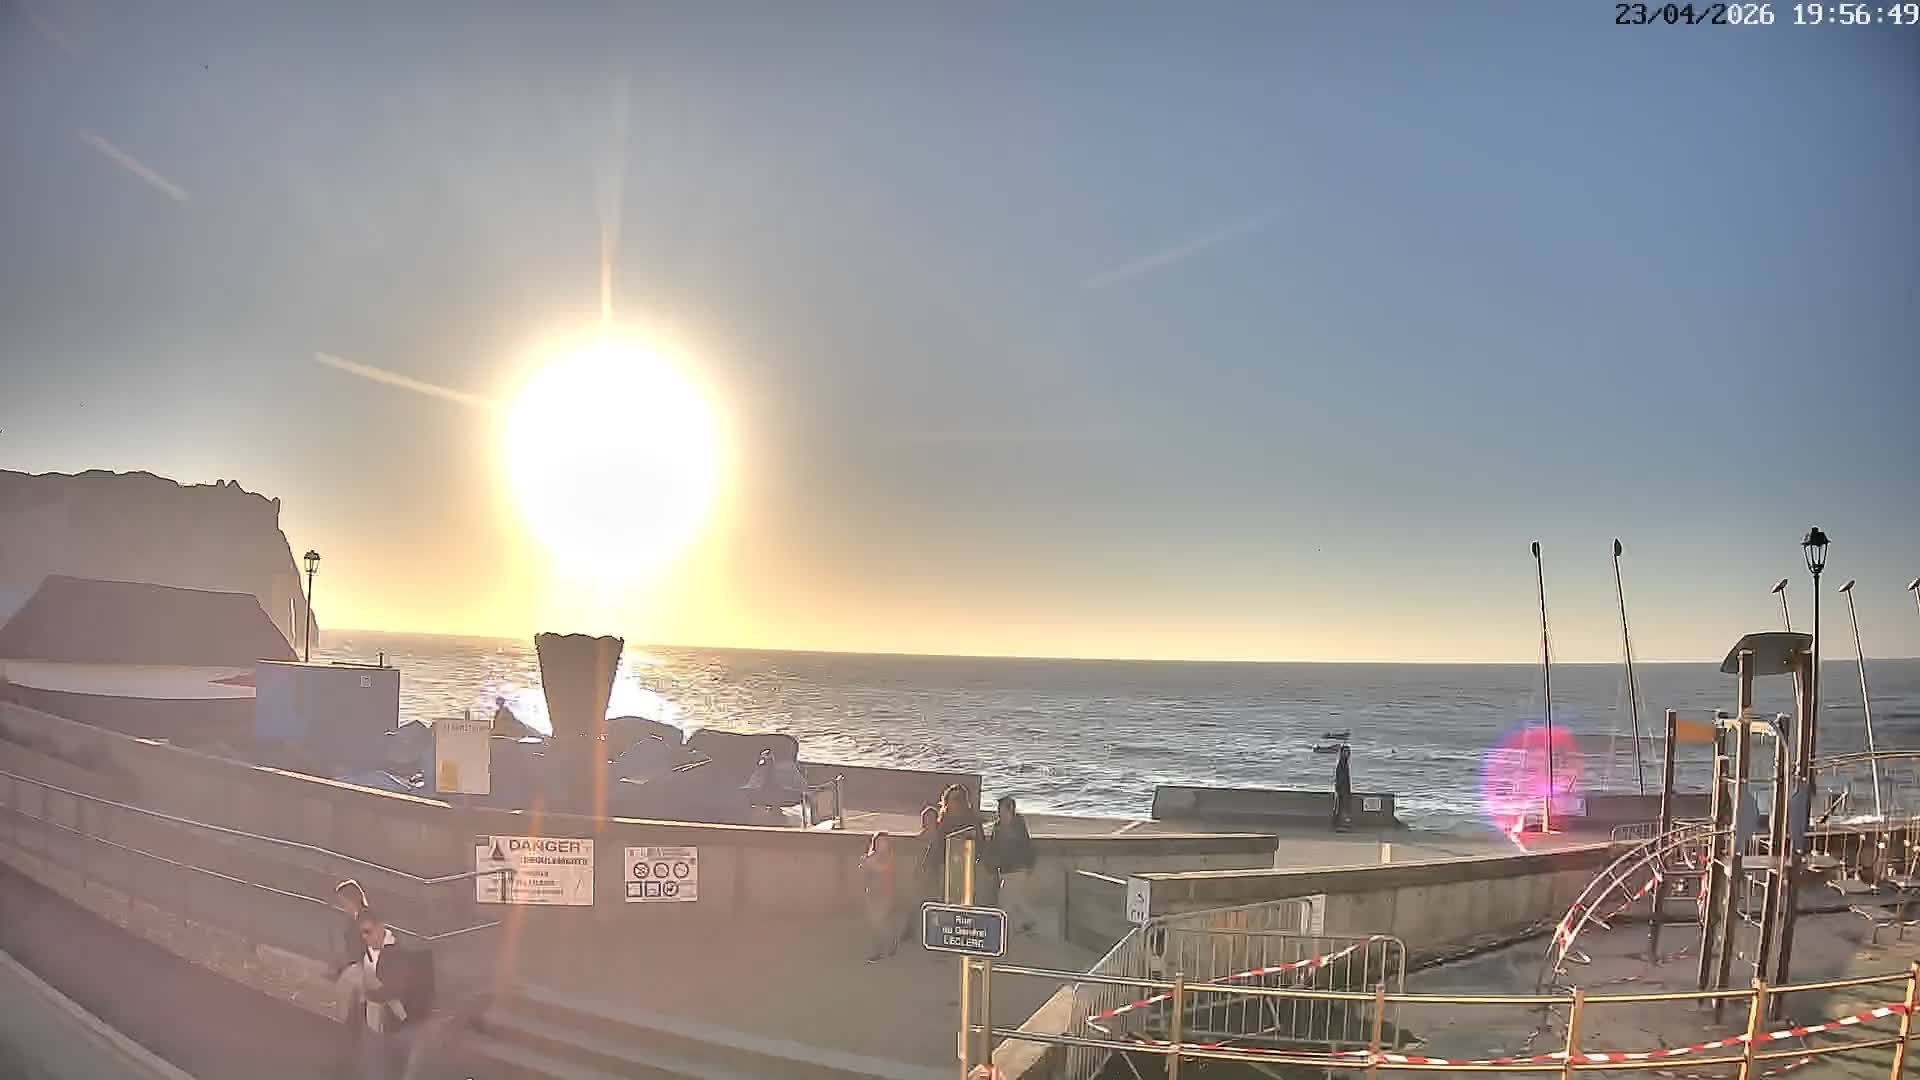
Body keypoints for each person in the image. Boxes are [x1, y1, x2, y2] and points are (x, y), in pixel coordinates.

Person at [348, 908, 434, 1080]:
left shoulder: (396, 953)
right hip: (376, 1024)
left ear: (380, 927)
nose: (365, 937)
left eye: (368, 931)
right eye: (362, 933)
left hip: (400, 1026)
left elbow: (395, 988)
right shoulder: (366, 950)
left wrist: (368, 991)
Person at [986, 796, 1036, 931]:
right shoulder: (998, 827)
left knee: (1004, 901)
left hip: (1018, 869)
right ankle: (1029, 923)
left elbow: (1026, 846)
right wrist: (992, 864)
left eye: (1002, 810)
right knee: (1016, 900)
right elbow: (993, 848)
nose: (999, 813)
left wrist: (1029, 865)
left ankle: (1003, 929)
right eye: (999, 810)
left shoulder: (1017, 826)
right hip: (1005, 869)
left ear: (1011, 810)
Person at [859, 832, 898, 962]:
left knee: (878, 921)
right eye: (879, 842)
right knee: (874, 922)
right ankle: (885, 945)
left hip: (886, 894)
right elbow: (864, 872)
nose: (882, 845)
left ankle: (883, 947)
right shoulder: (871, 856)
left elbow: (882, 868)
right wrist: (864, 866)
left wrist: (867, 862)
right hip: (872, 893)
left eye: (884, 842)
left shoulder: (890, 856)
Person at [1332, 745, 1353, 831]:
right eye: (1345, 752)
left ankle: (1339, 824)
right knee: (1340, 807)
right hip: (1342, 788)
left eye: (1348, 752)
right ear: (1341, 753)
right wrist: (1338, 788)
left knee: (1340, 806)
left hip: (1344, 787)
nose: (1347, 754)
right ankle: (1339, 824)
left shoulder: (1344, 762)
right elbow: (1340, 776)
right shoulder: (1342, 762)